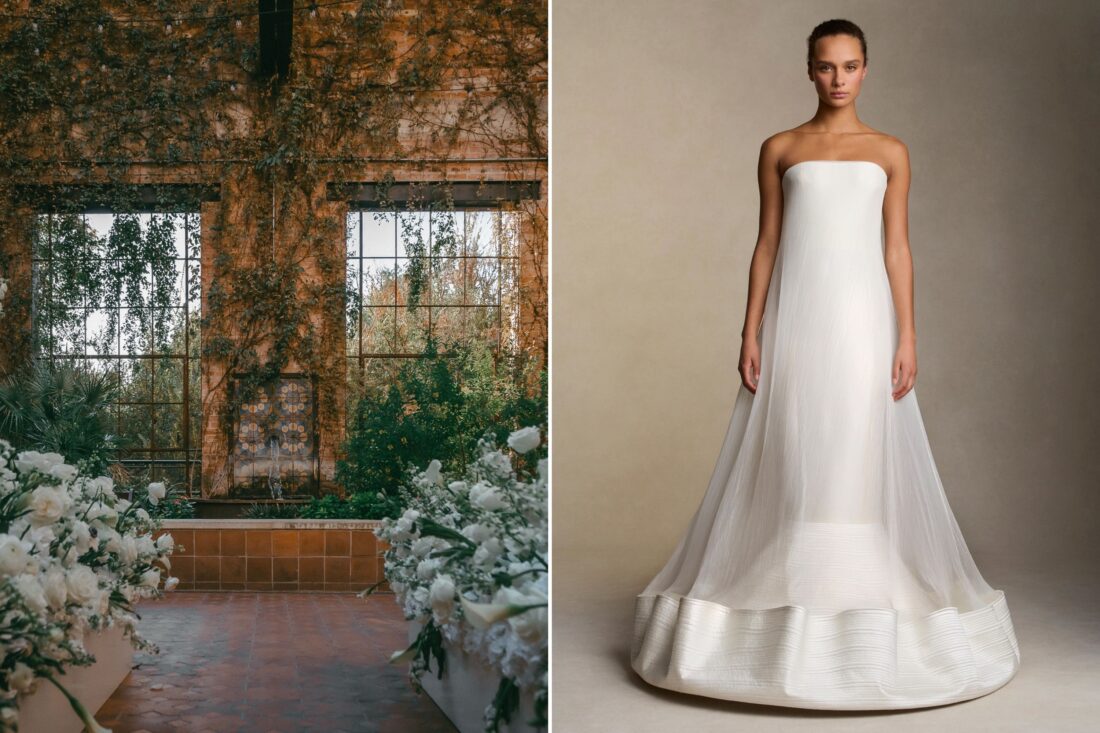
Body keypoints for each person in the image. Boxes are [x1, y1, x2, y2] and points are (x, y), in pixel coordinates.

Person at [630, 18, 1020, 710]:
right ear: (808, 70)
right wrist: (750, 329)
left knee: (856, 448)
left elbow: (897, 249)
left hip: (863, 323)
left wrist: (908, 335)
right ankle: (790, 592)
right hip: (797, 324)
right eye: (825, 66)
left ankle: (864, 592)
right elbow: (767, 245)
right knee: (800, 446)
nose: (838, 78)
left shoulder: (891, 152)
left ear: (867, 69)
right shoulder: (780, 147)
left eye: (850, 65)